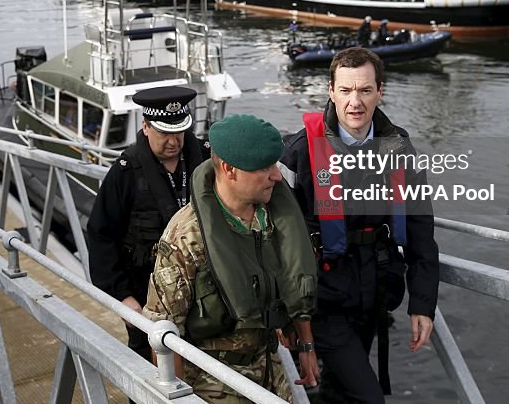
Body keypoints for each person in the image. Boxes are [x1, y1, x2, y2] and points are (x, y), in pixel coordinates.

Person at [280, 47, 439, 402]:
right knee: (369, 397)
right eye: (347, 90)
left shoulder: (399, 148)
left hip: (376, 291)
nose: (356, 101)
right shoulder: (299, 152)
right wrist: (287, 314)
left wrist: (422, 304)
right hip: (323, 295)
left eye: (365, 90)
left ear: (380, 91)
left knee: (340, 393)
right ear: (331, 92)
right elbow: (278, 239)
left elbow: (420, 232)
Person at [144, 114, 319, 403]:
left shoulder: (273, 219)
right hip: (212, 380)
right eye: (264, 167)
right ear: (229, 169)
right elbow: (163, 333)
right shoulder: (186, 237)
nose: (277, 175)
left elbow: (294, 277)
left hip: (270, 370)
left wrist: (307, 345)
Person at [86, 86, 210, 365]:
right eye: (165, 133)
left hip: (204, 296)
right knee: (151, 373)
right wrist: (122, 297)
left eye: (179, 131)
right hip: (147, 298)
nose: (174, 141)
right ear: (145, 126)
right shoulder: (125, 172)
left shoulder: (204, 158)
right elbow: (100, 234)